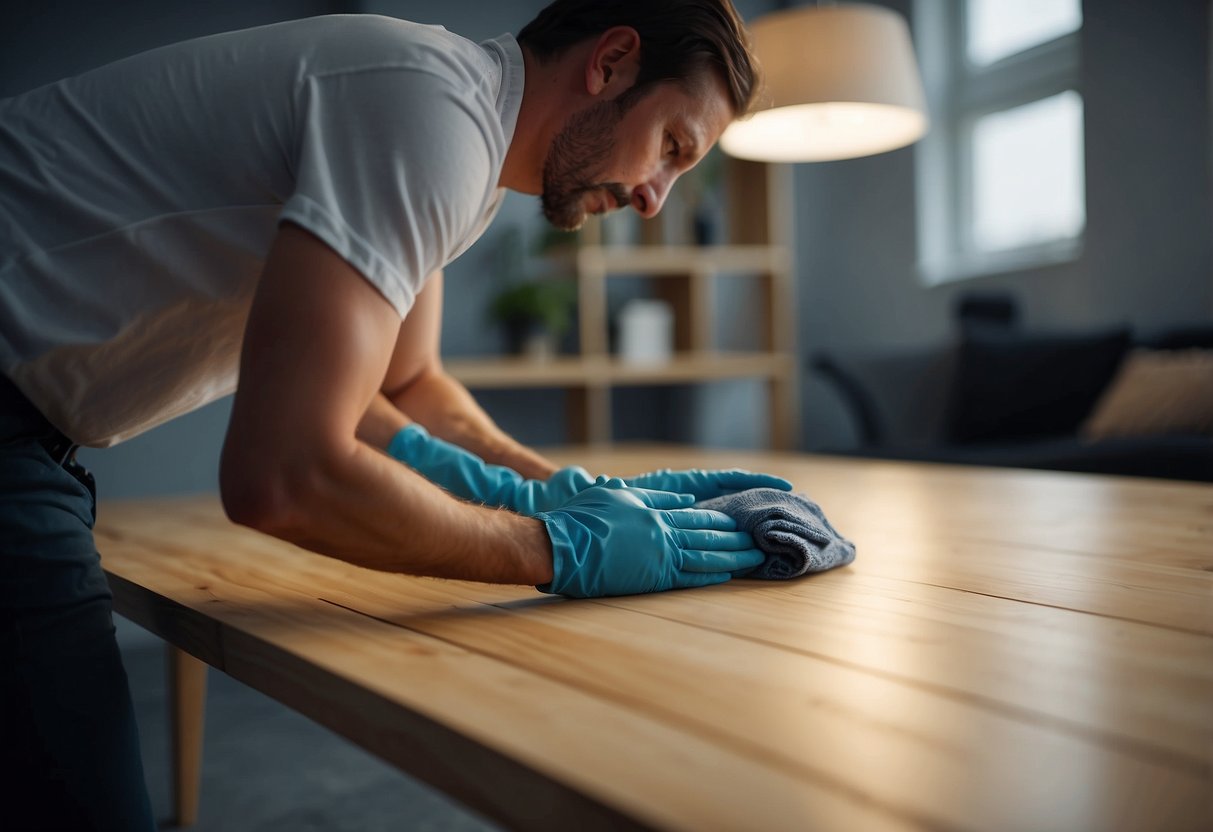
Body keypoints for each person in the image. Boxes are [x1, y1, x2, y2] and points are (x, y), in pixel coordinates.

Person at [0, 1, 789, 828]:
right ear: (611, 61)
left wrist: (552, 488)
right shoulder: (427, 112)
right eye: (671, 147)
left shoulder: (459, 135)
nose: (655, 198)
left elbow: (404, 387)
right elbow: (283, 477)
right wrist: (556, 549)